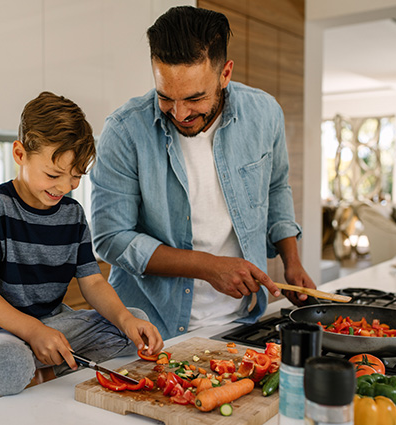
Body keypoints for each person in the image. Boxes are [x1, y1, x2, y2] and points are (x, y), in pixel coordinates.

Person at [90, 6, 316, 340]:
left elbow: (276, 187)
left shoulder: (265, 113)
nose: (179, 113)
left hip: (242, 322)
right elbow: (110, 239)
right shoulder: (124, 131)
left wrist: (291, 259)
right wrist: (208, 266)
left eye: (195, 98)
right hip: (148, 328)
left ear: (225, 74)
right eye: (166, 97)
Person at [0, 91, 163, 401]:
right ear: (20, 154)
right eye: (53, 174)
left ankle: (40, 368)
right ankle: (33, 368)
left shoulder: (72, 214)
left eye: (76, 176)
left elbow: (91, 281)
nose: (64, 187)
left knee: (132, 325)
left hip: (51, 324)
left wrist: (126, 319)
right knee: (8, 361)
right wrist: (33, 332)